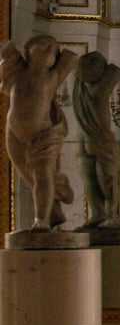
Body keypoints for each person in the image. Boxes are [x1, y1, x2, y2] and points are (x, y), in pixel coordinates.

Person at [0, 34, 77, 230]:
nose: (50, 50)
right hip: (14, 135)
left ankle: (41, 220)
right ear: (28, 51)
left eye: (54, 48)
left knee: (42, 175)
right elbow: (6, 51)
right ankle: (56, 200)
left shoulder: (52, 76)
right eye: (43, 44)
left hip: (44, 136)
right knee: (31, 178)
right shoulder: (17, 74)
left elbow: (69, 58)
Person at [72, 50, 120, 227]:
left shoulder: (103, 85)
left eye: (96, 67)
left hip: (102, 141)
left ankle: (112, 216)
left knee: (107, 180)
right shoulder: (79, 84)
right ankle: (99, 214)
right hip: (83, 141)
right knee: (89, 181)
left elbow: (115, 70)